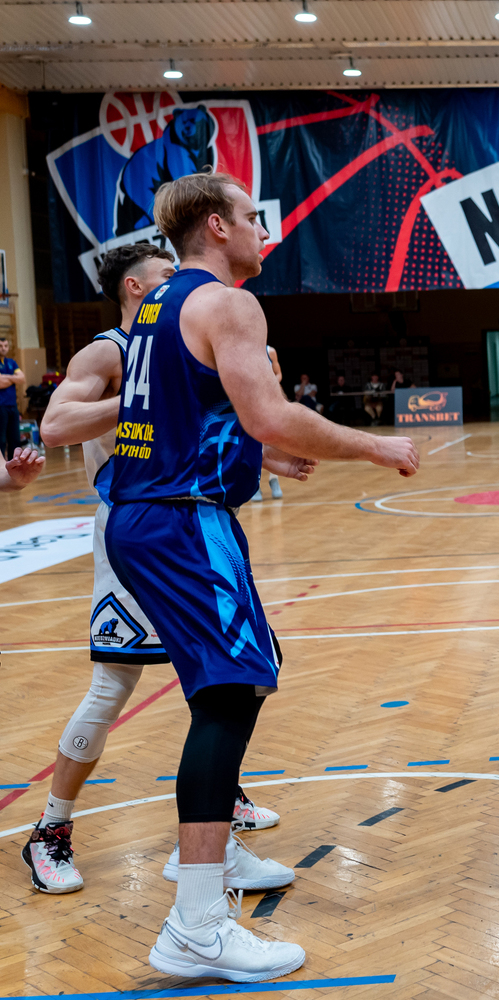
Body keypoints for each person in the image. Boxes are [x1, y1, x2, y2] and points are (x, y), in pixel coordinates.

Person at [102, 172, 418, 981]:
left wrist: (255, 453)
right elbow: (270, 412)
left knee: (243, 675)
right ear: (217, 226)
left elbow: (182, 414)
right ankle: (197, 923)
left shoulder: (157, 304)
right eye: (252, 217)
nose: (262, 231)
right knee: (231, 692)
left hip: (148, 515)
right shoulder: (229, 304)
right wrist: (375, 445)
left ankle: (214, 858)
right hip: (184, 520)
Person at [25, 243, 286, 896]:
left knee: (236, 674)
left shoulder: (177, 343)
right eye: (169, 275)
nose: (182, 283)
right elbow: (54, 425)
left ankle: (217, 807)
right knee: (115, 685)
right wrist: (143, 401)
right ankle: (50, 830)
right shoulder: (109, 351)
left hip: (187, 523)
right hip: (136, 529)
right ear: (136, 288)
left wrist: (273, 454)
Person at [249, 345, 285, 502]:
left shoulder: (270, 351)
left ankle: (274, 479)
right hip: (250, 400)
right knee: (253, 442)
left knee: (273, 439)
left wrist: (269, 384)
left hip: (269, 399)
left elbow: (278, 374)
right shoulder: (243, 350)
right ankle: (254, 484)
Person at [0, 334, 25, 459]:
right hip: (1, 407)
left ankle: (13, 464)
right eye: (0, 346)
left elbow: (22, 378)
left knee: (15, 439)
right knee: (1, 439)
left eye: (5, 346)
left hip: (13, 406)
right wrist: (13, 378)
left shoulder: (11, 362)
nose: (3, 348)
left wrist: (5, 377)